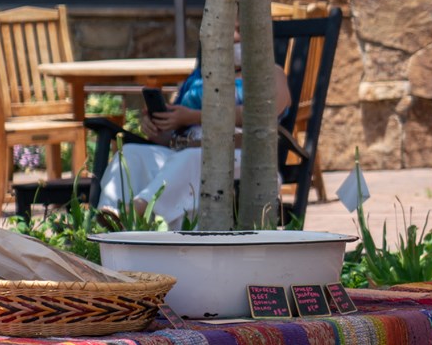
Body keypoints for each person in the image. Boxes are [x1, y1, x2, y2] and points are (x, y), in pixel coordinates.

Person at [95, 42, 290, 226]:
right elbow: (173, 138)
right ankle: (107, 219)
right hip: (187, 152)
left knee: (192, 158)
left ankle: (134, 212)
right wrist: (159, 127)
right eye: (231, 28)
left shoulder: (270, 72)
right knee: (131, 153)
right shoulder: (199, 79)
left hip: (239, 155)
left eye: (240, 29)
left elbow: (267, 112)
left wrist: (197, 116)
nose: (235, 36)